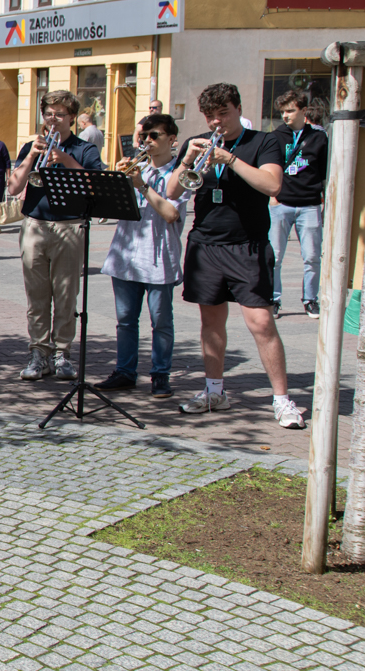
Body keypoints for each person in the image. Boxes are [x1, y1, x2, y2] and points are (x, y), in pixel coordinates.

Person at [165, 83, 300, 426]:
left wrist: (230, 159)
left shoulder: (263, 141)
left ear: (238, 109)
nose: (216, 122)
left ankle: (282, 400)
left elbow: (272, 185)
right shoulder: (198, 142)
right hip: (206, 244)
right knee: (211, 323)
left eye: (223, 114)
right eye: (210, 116)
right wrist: (187, 160)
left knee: (261, 323)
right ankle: (215, 392)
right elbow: (172, 191)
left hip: (247, 245)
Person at [5, 91, 104, 381]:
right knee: (36, 297)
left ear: (72, 117)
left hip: (69, 226)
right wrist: (32, 156)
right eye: (48, 114)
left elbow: (95, 186)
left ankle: (62, 352)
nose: (53, 119)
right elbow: (13, 187)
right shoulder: (31, 146)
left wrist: (65, 159)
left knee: (65, 295)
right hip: (35, 224)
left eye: (60, 114)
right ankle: (39, 352)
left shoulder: (84, 149)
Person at [94, 115, 187, 398]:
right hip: (126, 256)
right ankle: (125, 372)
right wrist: (116, 181)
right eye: (144, 135)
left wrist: (142, 186)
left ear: (172, 139)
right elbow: (107, 209)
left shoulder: (179, 175)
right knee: (125, 321)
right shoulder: (137, 168)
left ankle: (160, 375)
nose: (147, 140)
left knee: (161, 322)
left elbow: (171, 214)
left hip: (159, 258)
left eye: (154, 135)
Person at [269, 89, 327, 319]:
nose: (285, 115)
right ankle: (273, 299)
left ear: (303, 111)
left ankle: (310, 300)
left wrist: (325, 200)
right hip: (281, 204)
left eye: (290, 110)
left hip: (310, 205)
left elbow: (324, 172)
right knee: (275, 257)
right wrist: (272, 198)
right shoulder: (275, 137)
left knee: (312, 257)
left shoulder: (319, 137)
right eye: (282, 111)